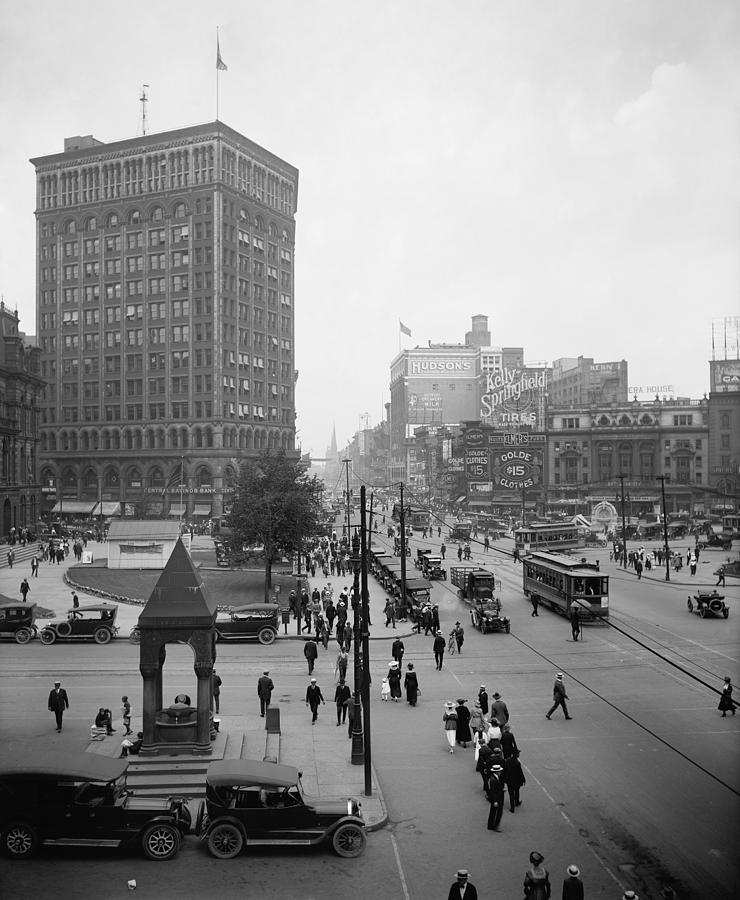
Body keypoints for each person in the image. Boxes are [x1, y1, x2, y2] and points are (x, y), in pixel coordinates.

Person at [486, 763, 505, 830]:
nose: (501, 772)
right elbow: (493, 791)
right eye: (500, 771)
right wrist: (495, 801)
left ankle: (490, 825)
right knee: (498, 812)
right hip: (497, 798)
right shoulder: (493, 780)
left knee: (493, 812)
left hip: (496, 797)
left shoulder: (494, 778)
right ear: (496, 772)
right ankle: (495, 825)